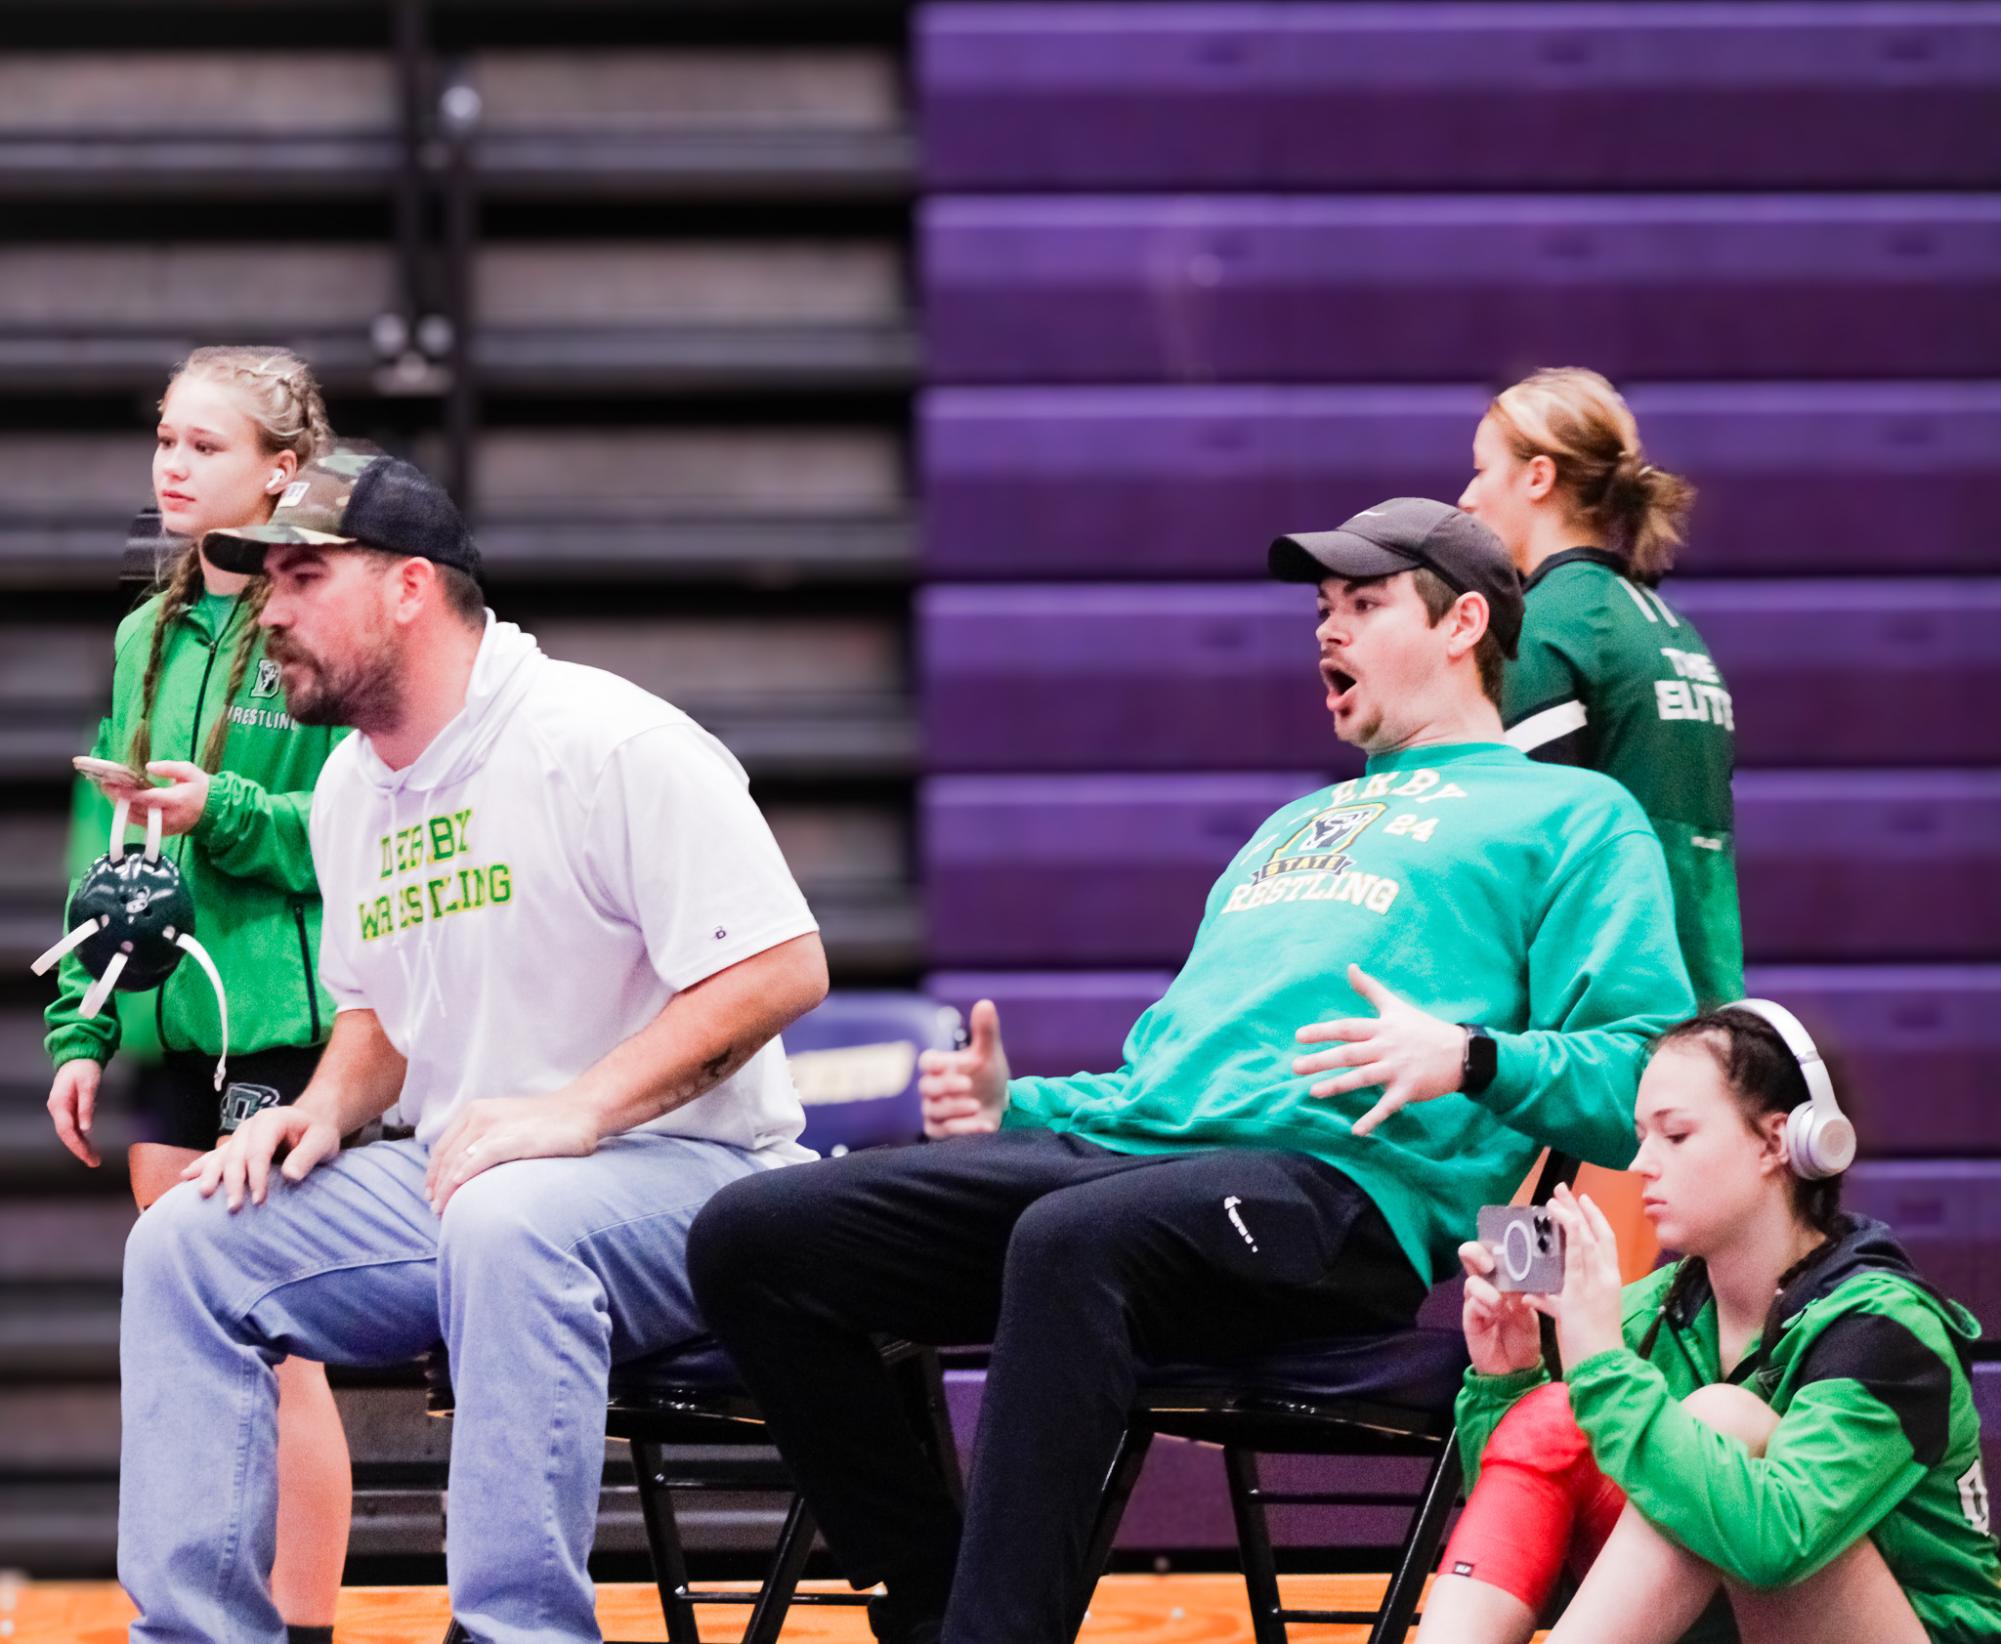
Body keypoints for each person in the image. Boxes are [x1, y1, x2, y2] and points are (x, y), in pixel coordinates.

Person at [686, 497, 1697, 1644]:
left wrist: (1465, 1057)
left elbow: (1635, 1086)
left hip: (1332, 1196)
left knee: (1072, 1243)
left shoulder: (1574, 816)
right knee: (756, 1236)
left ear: (1465, 621)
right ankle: (930, 1595)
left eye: (1364, 605)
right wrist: (1014, 1103)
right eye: (1322, 609)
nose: (1329, 631)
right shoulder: (1288, 828)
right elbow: (1167, 1081)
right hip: (1139, 1169)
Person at [114, 450, 830, 1644]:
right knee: (188, 1241)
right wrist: (326, 1109)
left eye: (300, 579)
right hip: (466, 1177)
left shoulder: (604, 740)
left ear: (408, 587)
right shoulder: (352, 786)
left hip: (699, 1181)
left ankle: (516, 1633)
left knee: (512, 1214)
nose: (269, 613)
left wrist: (582, 1110)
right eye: (264, 585)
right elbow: (378, 1016)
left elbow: (778, 965)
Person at [41, 346, 351, 1644]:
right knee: (188, 1337)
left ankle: (308, 1629)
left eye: (205, 446)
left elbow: (347, 830)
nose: (172, 465)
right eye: (165, 439)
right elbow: (102, 844)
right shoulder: (142, 634)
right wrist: (83, 1023)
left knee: (281, 1352)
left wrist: (217, 808)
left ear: (283, 470)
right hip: (173, 1011)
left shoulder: (329, 620)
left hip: (284, 1020)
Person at [1419, 1004, 2001, 1644]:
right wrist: (1509, 1381)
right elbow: (1536, 1555)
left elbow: (1775, 1546)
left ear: (1778, 1142)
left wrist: (1600, 1365)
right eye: (1641, 1136)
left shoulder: (1886, 1328)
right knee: (1553, 1415)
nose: (1642, 1163)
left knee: (1727, 1419)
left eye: (1675, 1136)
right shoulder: (1651, 1311)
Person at [1457, 365, 1740, 1009]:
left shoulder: (1547, 626)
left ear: (1538, 476)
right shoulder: (1673, 630)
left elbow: (1522, 854)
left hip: (1608, 1019)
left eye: (1480, 470)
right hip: (1704, 1009)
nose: (1467, 499)